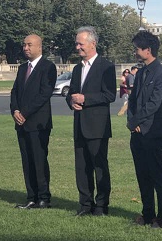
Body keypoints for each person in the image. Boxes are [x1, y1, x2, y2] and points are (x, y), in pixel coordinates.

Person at [66, 26, 116, 216]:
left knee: (99, 166)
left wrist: (85, 99)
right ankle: (85, 204)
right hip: (79, 125)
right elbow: (71, 94)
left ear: (93, 44)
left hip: (97, 126)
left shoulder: (106, 66)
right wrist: (72, 101)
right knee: (82, 167)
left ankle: (101, 206)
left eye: (81, 43)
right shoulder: (77, 68)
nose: (77, 47)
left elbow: (109, 95)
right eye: (76, 43)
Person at [126, 30, 162, 229]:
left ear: (148, 50)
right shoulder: (141, 71)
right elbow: (133, 100)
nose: (135, 52)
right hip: (137, 131)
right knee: (142, 175)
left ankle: (161, 218)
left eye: (137, 48)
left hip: (153, 132)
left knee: (157, 175)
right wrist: (132, 122)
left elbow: (154, 104)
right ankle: (147, 213)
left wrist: (137, 121)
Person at [10, 34, 58, 209]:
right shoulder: (23, 68)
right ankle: (31, 196)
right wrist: (15, 110)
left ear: (39, 47)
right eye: (24, 45)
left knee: (39, 160)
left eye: (29, 45)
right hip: (21, 123)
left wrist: (25, 112)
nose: (26, 48)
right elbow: (14, 92)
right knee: (27, 160)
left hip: (38, 123)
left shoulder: (48, 67)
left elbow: (44, 94)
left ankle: (43, 197)